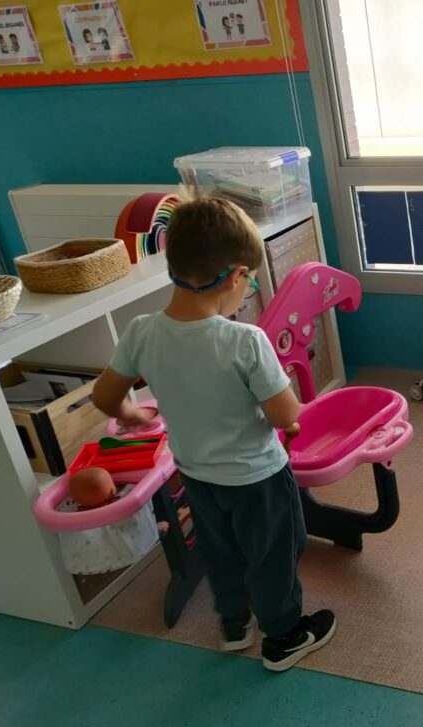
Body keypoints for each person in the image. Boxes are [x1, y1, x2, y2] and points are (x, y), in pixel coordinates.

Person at [91, 196, 335, 672]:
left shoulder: (141, 331)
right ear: (236, 276)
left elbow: (105, 396)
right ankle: (284, 636)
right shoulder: (244, 341)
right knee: (274, 554)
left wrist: (131, 413)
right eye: (250, 282)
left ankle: (233, 626)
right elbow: (285, 414)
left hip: (197, 477)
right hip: (258, 479)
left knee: (220, 553)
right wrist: (286, 409)